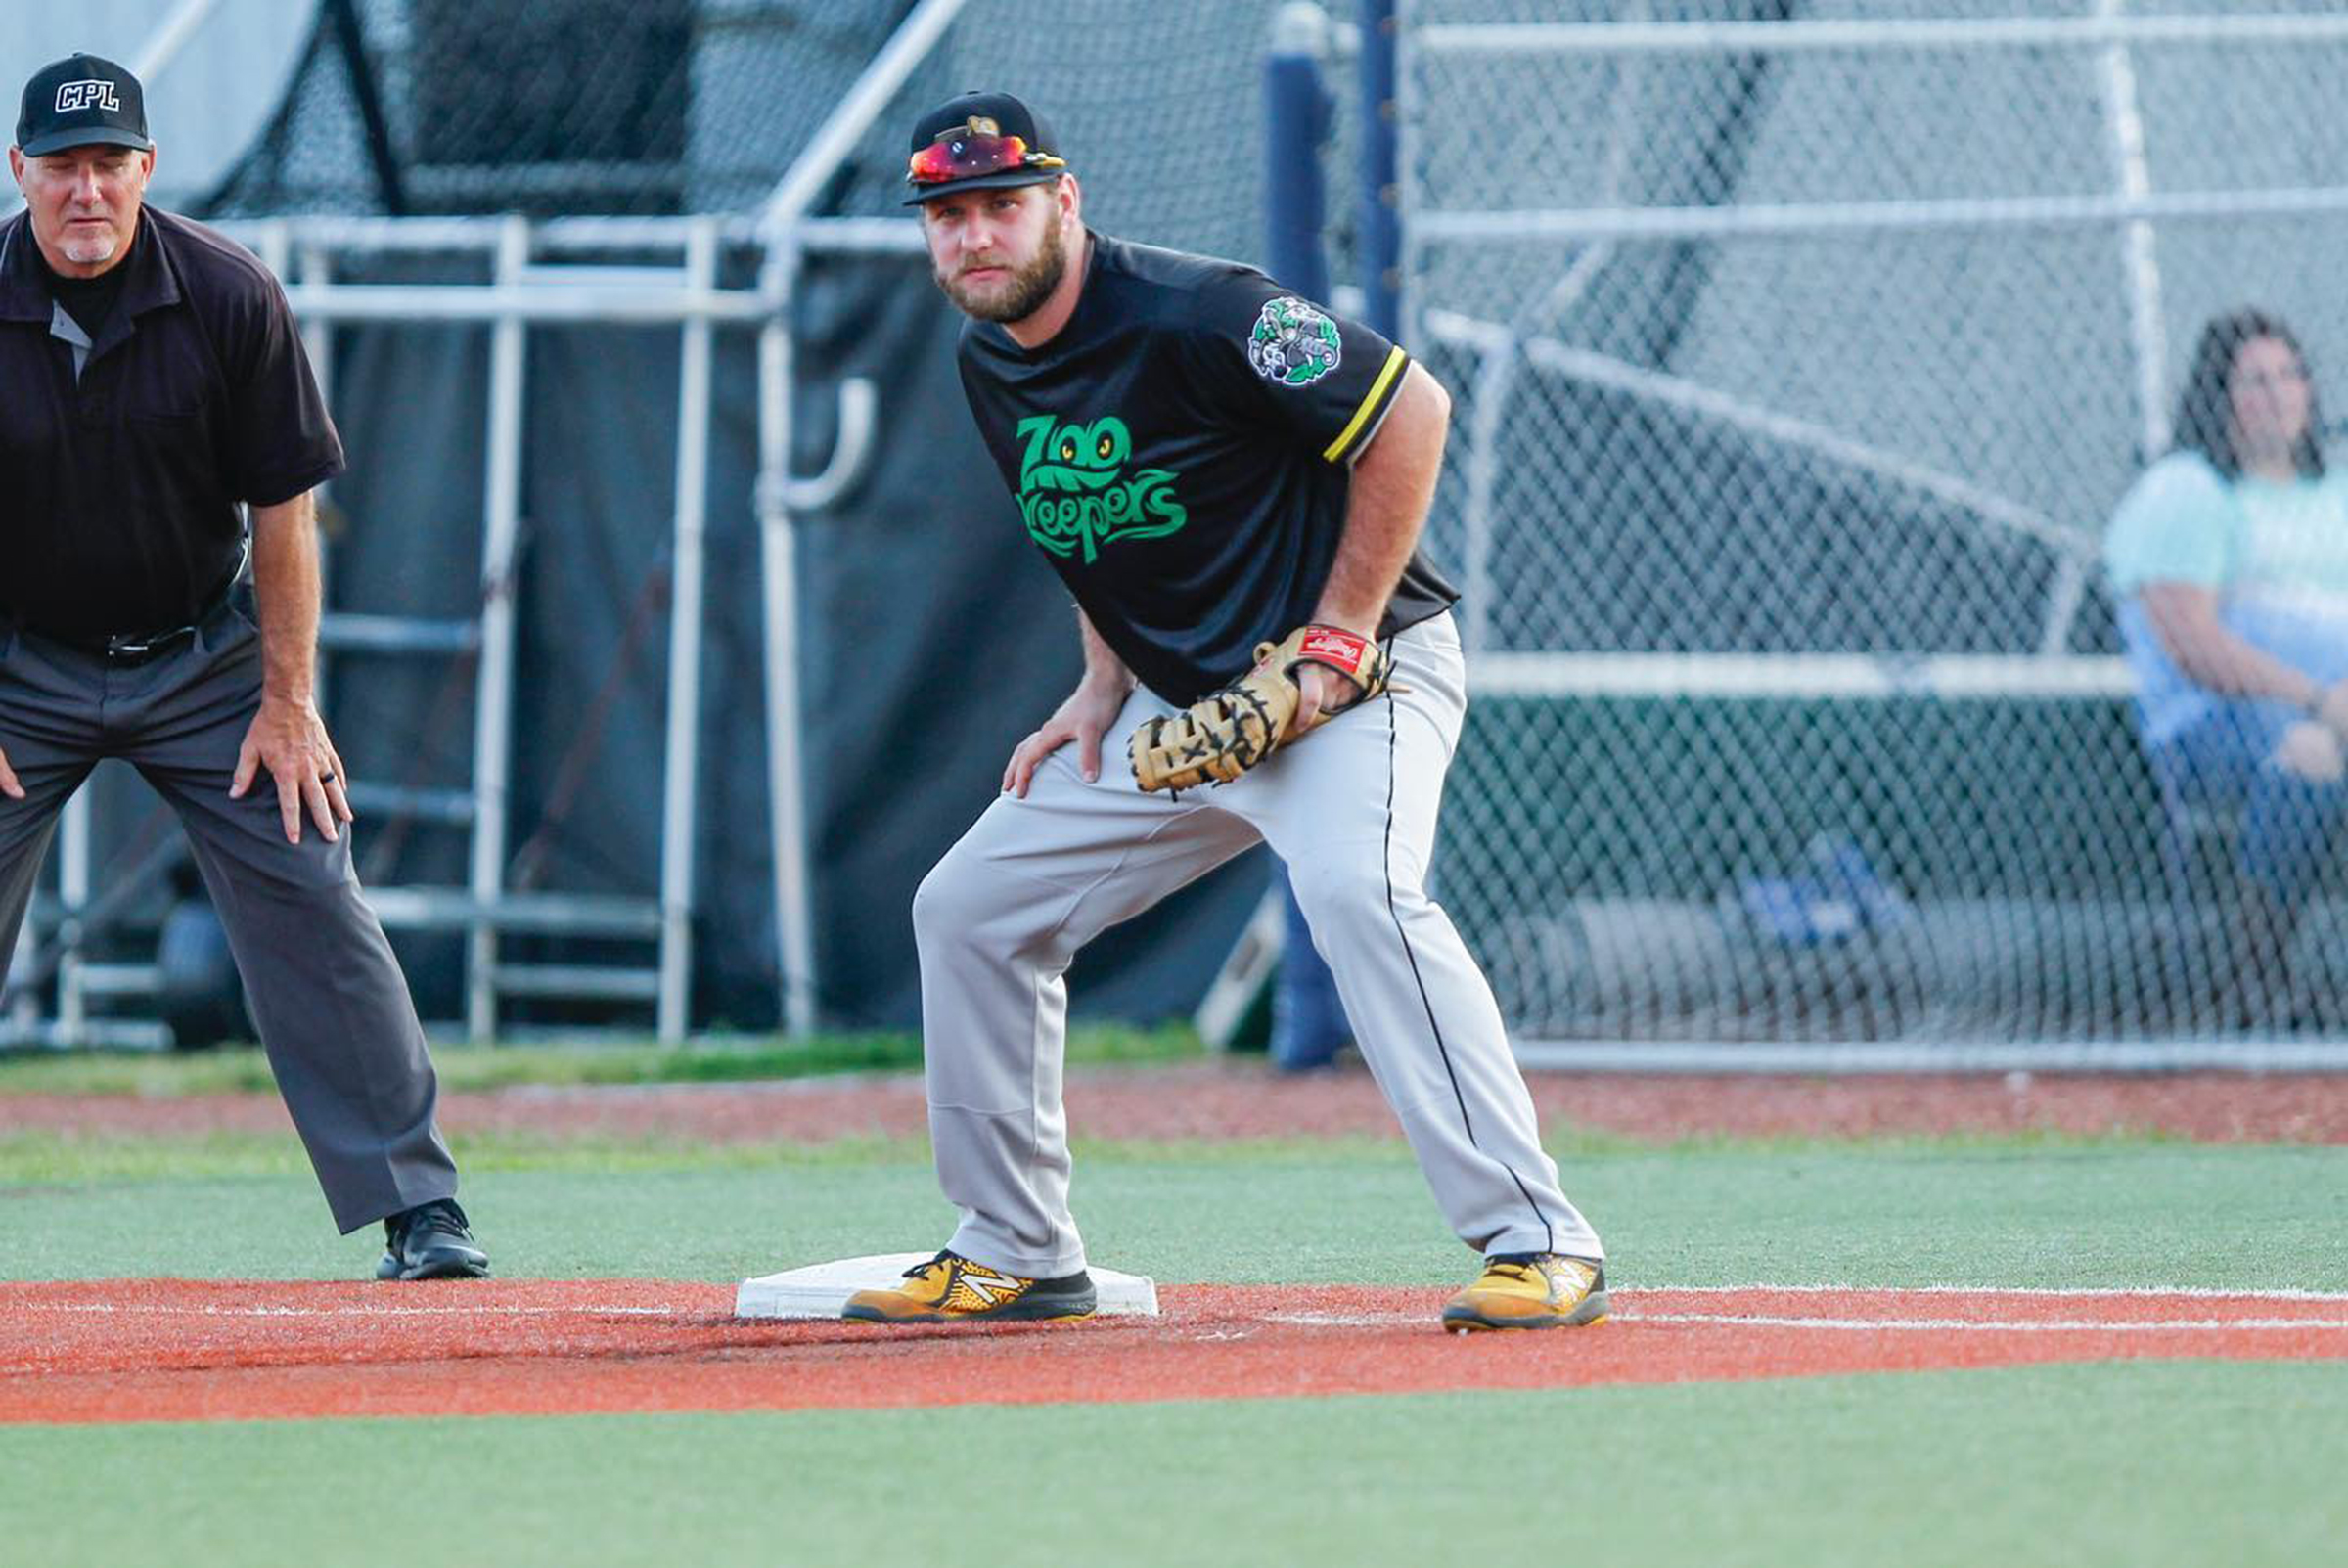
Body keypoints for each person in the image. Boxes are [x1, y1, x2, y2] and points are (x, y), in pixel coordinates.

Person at [844, 92, 1606, 1332]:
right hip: (1186, 708)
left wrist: (1340, 637)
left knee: (1363, 895)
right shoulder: (991, 357)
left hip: (1359, 679)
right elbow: (1091, 527)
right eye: (949, 215)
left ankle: (1538, 1239)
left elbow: (1410, 410)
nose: (975, 235)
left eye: (1002, 203)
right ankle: (1017, 1248)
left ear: (1065, 202)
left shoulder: (1209, 309)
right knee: (972, 911)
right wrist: (1101, 682)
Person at [0, 54, 486, 1279]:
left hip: (204, 657)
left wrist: (288, 702)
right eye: (61, 166)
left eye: (110, 164)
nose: (86, 190)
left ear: (147, 170)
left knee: (313, 886)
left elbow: (284, 509)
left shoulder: (228, 293)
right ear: (21, 174)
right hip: (23, 661)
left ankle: (420, 1212)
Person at [2106, 307, 2348, 1014]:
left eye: (2289, 375)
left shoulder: (2333, 496)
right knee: (2310, 749)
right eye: (2254, 381)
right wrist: (2319, 697)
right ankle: (2251, 976)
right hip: (2218, 725)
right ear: (2220, 397)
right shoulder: (2187, 490)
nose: (2277, 394)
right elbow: (2193, 643)